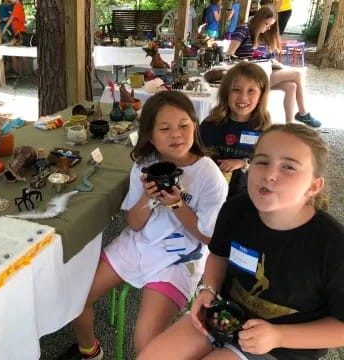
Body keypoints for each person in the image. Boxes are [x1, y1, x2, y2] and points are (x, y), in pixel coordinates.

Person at [139, 123, 344, 360]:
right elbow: (218, 254)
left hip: (280, 348)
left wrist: (278, 336)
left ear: (313, 186)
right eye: (262, 161)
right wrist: (209, 289)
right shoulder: (236, 208)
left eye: (289, 167)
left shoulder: (333, 246)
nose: (270, 174)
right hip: (222, 318)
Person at [59, 91, 228, 359]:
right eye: (165, 128)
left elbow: (209, 238)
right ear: (149, 135)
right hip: (139, 242)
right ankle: (90, 351)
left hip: (181, 257)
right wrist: (148, 198)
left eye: (184, 125)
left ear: (195, 126)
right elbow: (135, 225)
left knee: (145, 343)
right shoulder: (145, 165)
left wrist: (176, 205)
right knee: (76, 300)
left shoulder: (209, 175)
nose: (176, 134)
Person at [226, 6, 321, 127]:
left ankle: (289, 124)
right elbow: (229, 55)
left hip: (264, 71)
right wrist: (248, 61)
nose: (268, 28)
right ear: (259, 19)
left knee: (291, 86)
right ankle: (303, 113)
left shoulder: (264, 35)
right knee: (298, 74)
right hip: (249, 75)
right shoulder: (243, 29)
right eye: (266, 24)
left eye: (270, 25)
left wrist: (275, 64)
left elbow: (268, 58)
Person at [200, 62, 271, 199]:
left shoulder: (264, 130)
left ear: (261, 95)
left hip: (245, 196)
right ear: (226, 92)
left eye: (251, 91)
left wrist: (243, 163)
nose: (243, 98)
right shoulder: (210, 124)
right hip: (209, 192)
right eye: (236, 90)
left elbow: (268, 167)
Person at [1, 0, 26, 74]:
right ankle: (22, 72)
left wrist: (4, 30)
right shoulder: (19, 6)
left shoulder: (17, 6)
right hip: (19, 32)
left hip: (18, 33)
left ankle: (17, 72)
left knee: (13, 52)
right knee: (21, 52)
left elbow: (11, 19)